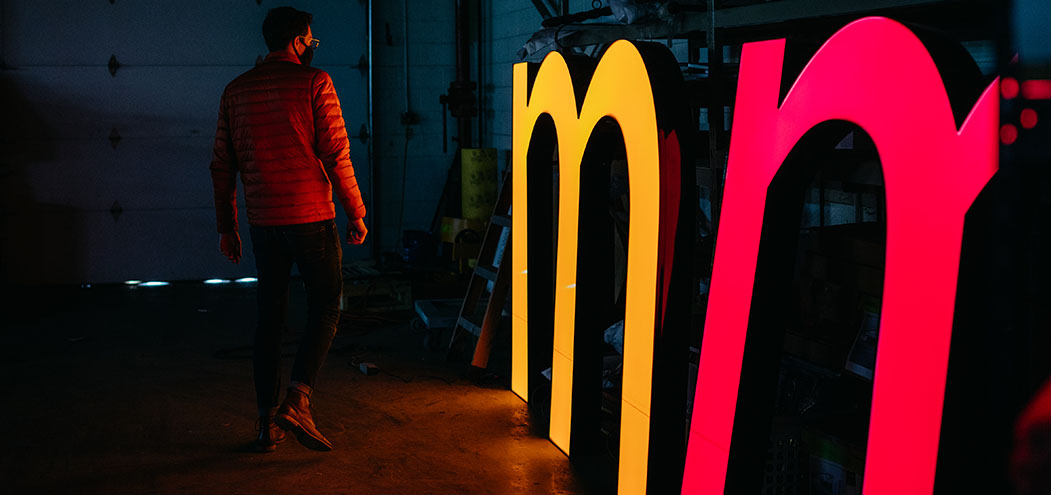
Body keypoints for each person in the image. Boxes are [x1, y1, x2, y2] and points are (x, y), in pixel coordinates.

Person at [209, 6, 367, 453]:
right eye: (311, 40)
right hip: (311, 219)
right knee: (325, 307)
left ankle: (265, 423)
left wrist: (228, 227)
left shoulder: (235, 91)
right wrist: (355, 210)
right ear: (298, 41)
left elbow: (223, 165)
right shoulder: (315, 83)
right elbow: (336, 153)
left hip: (264, 224)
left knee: (270, 320)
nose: (312, 47)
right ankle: (298, 399)